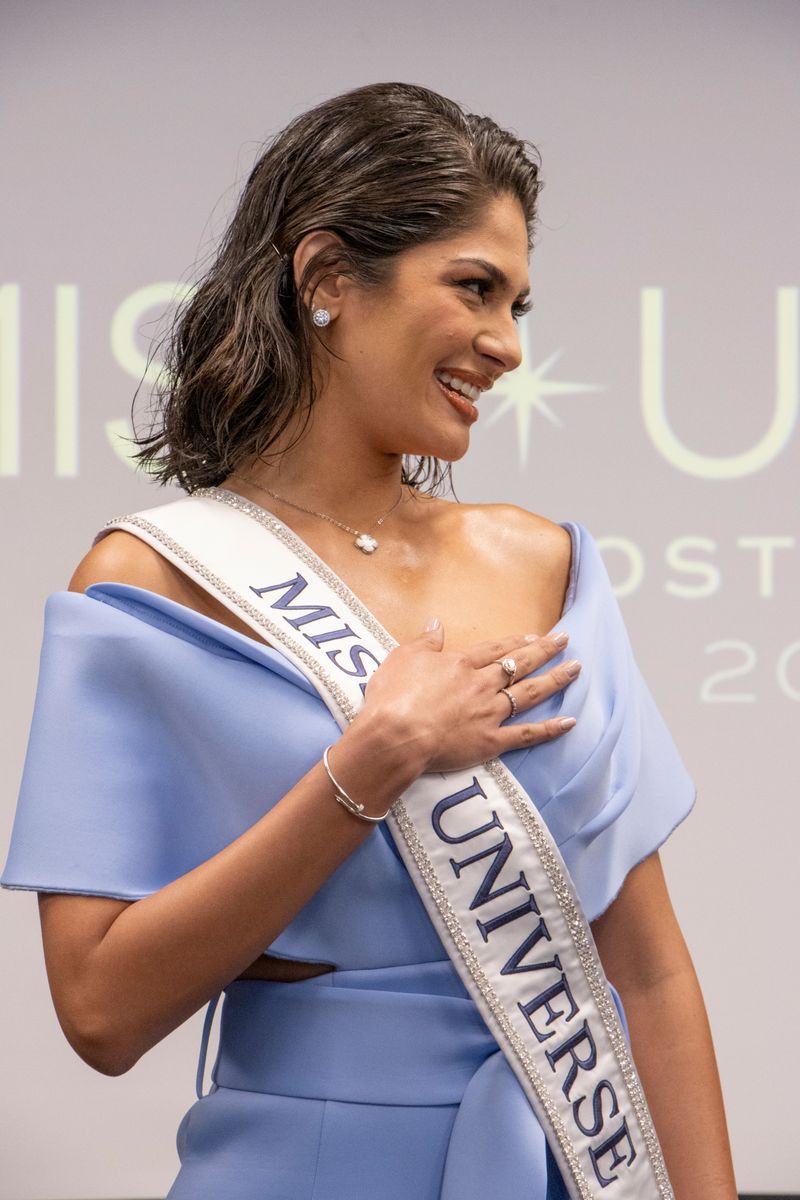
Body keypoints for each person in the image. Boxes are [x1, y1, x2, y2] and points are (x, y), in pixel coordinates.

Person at [2, 83, 737, 1198]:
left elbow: (647, 972)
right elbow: (99, 1012)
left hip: (565, 1161)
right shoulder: (152, 584)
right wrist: (367, 764)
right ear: (327, 279)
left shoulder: (541, 564)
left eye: (518, 306)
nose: (503, 346)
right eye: (474, 289)